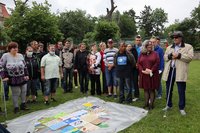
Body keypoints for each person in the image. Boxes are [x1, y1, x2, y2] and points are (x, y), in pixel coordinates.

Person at [162, 31, 194, 115]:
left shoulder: (188, 47)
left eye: (176, 37)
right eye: (173, 37)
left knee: (181, 90)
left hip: (180, 71)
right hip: (170, 70)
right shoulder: (169, 47)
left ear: (181, 38)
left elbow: (190, 58)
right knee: (169, 88)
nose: (174, 39)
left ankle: (181, 107)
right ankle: (168, 105)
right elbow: (165, 57)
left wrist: (179, 56)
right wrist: (169, 56)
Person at [0, 42, 29, 113]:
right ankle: (16, 107)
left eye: (16, 47)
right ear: (10, 49)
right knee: (16, 93)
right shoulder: (5, 56)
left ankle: (23, 105)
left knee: (24, 91)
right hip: (13, 78)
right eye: (14, 48)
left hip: (22, 77)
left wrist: (26, 74)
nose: (16, 49)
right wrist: (4, 76)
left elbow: (25, 66)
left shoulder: (20, 55)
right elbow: (1, 67)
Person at [138, 40, 160, 110]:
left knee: (151, 90)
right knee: (146, 89)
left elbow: (157, 63)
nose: (150, 46)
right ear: (145, 46)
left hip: (152, 74)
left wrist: (151, 70)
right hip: (144, 74)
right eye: (148, 45)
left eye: (151, 45)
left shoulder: (155, 53)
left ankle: (151, 105)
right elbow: (138, 63)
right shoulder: (141, 54)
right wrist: (142, 70)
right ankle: (146, 103)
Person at [132, 35, 142, 101]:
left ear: (140, 41)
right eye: (137, 40)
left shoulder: (142, 48)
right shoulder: (132, 48)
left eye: (139, 40)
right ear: (135, 41)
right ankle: (136, 95)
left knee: (144, 80)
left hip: (141, 66)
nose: (138, 41)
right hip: (134, 67)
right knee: (135, 81)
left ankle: (149, 94)